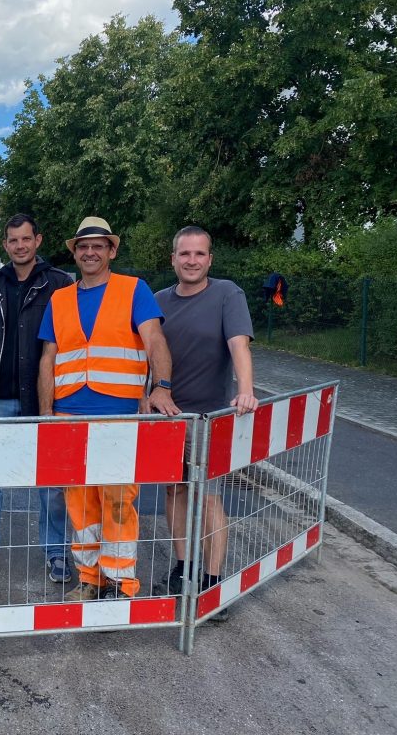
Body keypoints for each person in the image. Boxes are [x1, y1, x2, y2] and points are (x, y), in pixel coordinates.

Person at [37, 217, 180, 601]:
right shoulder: (60, 298)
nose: (90, 252)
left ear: (111, 251)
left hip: (119, 415)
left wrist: (161, 388)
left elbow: (155, 340)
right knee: (80, 503)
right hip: (68, 415)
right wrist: (45, 413)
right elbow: (48, 359)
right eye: (83, 246)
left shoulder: (134, 290)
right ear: (74, 253)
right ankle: (90, 579)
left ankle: (120, 584)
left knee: (118, 500)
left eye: (98, 245)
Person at [0, 214, 74, 582]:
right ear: (6, 245)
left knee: (51, 483)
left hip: (43, 400)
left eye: (26, 239)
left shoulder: (59, 284)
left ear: (37, 240)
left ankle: (56, 553)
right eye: (13, 240)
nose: (20, 246)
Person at [154, 226, 258, 621]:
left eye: (199, 254)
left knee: (209, 498)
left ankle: (212, 581)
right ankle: (184, 568)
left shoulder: (227, 294)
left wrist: (245, 390)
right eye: (185, 254)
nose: (192, 261)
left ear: (210, 259)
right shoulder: (160, 300)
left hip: (209, 417)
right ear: (174, 259)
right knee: (175, 493)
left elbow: (239, 345)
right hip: (168, 419)